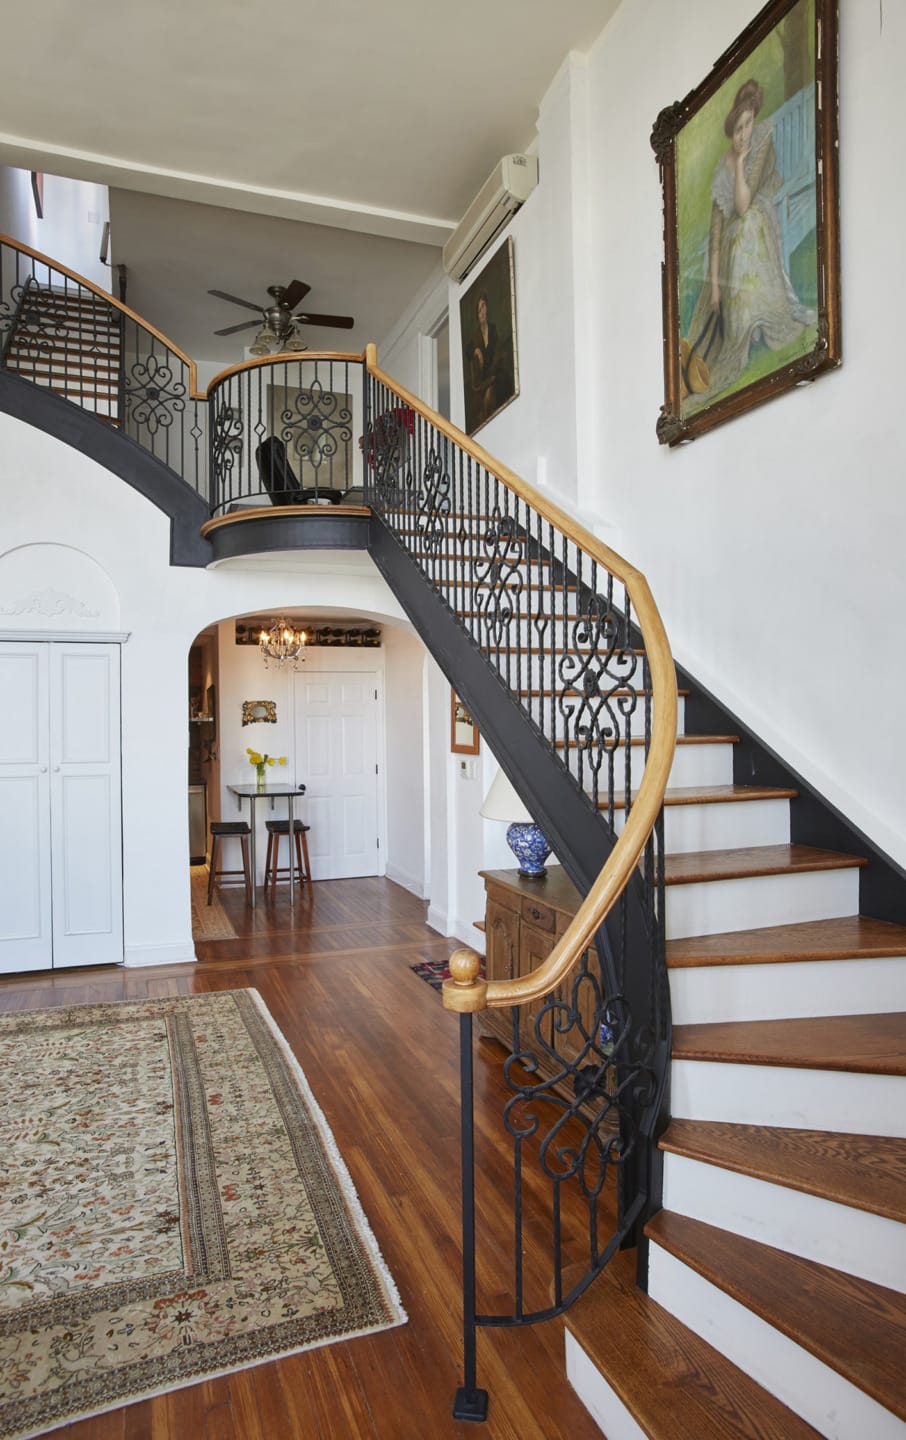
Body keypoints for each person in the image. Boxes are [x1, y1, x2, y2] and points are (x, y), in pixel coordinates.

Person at [683, 78, 815, 406]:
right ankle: (744, 327)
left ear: (755, 118)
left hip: (761, 212)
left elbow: (745, 203)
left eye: (748, 123)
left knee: (748, 226)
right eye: (739, 128)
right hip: (732, 238)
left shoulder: (764, 138)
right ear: (731, 130)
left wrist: (742, 163)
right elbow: (716, 231)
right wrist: (715, 285)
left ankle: (758, 321)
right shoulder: (719, 170)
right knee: (736, 236)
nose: (745, 134)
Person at [468, 292, 509, 426]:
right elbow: (468, 350)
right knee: (487, 396)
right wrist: (476, 350)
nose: (482, 312)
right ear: (477, 315)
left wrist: (493, 373)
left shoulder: (493, 329)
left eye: (483, 306)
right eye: (479, 310)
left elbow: (497, 352)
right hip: (483, 380)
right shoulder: (475, 336)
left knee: (499, 385)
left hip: (494, 372)